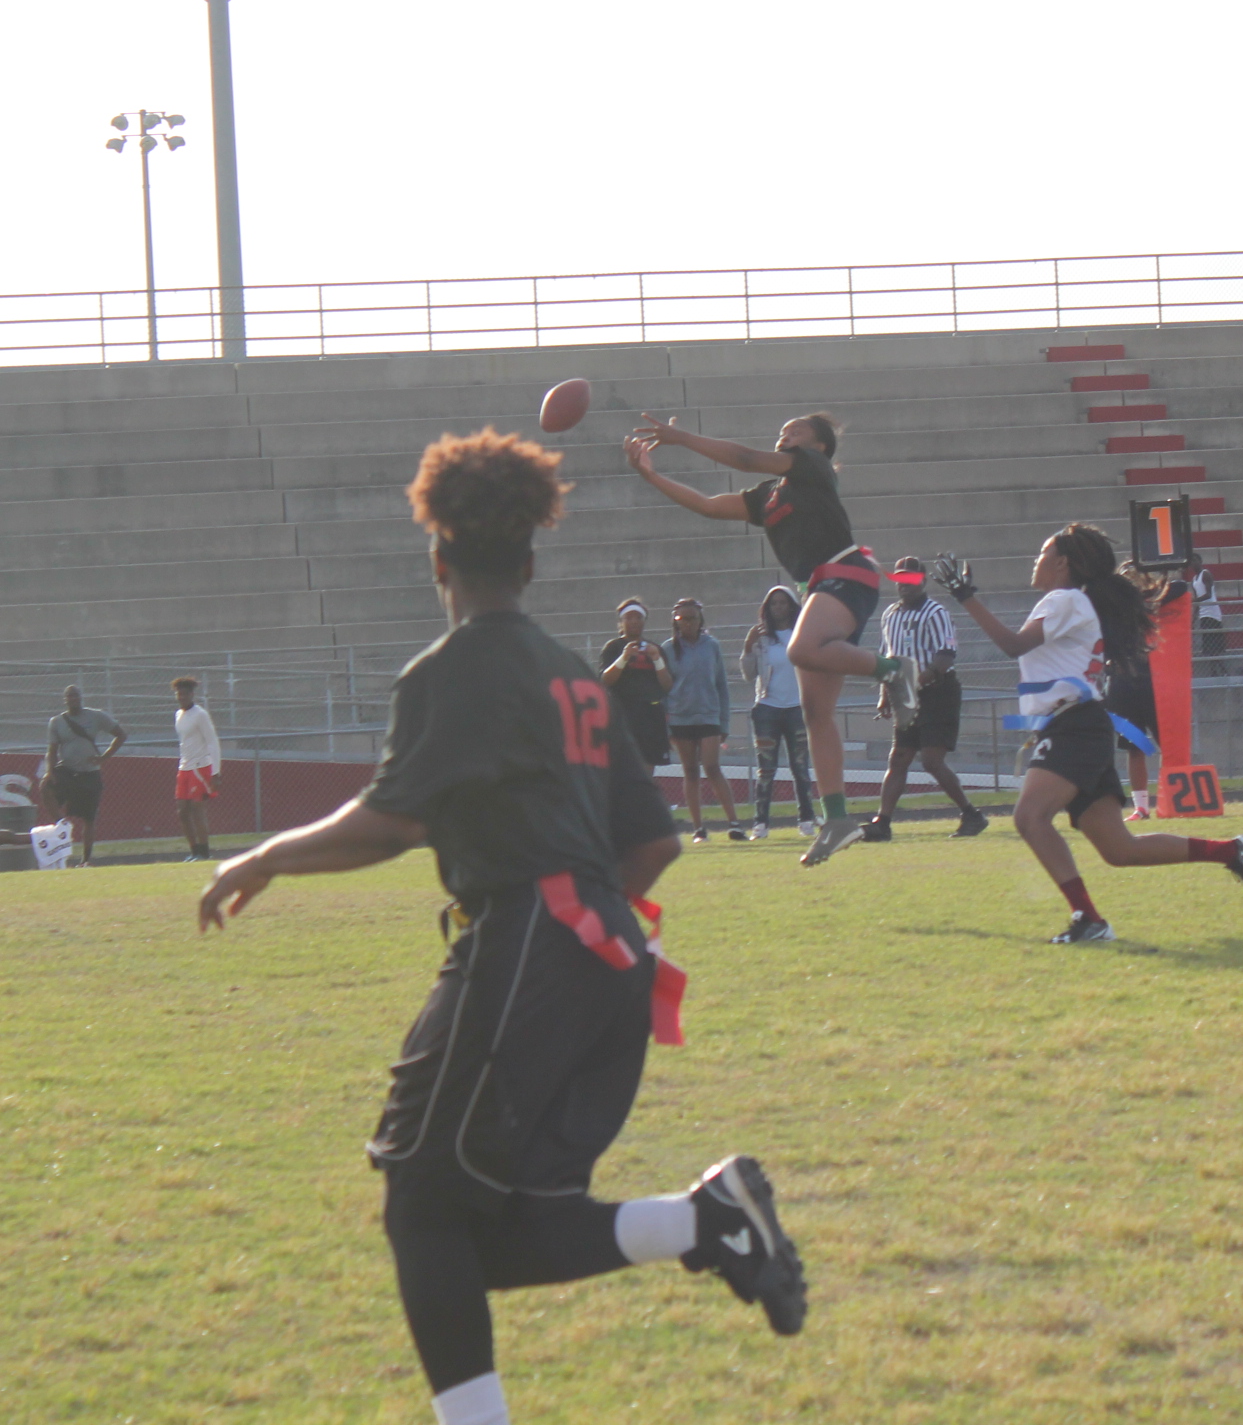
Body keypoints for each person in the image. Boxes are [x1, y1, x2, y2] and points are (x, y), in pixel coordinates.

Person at [196, 427, 806, 1425]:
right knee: (489, 1228)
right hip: (616, 957)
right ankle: (704, 1224)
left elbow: (393, 821)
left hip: (531, 944)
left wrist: (263, 855)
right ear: (529, 563)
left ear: (438, 559)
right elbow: (653, 843)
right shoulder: (575, 674)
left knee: (420, 1204)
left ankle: (697, 1235)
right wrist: (586, 923)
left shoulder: (451, 669)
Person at [933, 529, 1243, 942]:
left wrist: (965, 596)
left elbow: (1013, 645)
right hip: (1079, 725)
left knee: (1030, 818)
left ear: (1063, 563)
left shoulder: (1064, 599)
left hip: (1073, 726)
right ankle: (1233, 851)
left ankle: (1089, 920)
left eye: (1043, 552)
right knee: (1120, 850)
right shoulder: (1073, 601)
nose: (1036, 560)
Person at [623, 411, 919, 868]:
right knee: (816, 714)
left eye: (796, 431)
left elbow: (744, 458)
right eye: (782, 431)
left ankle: (895, 670)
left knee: (801, 649)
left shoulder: (812, 467)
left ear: (819, 446)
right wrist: (651, 475)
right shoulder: (768, 495)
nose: (786, 435)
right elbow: (707, 506)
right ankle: (837, 820)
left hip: (845, 572)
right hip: (819, 588)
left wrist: (679, 437)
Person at [861, 557, 987, 843]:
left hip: (937, 691)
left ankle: (971, 813)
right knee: (899, 758)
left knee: (931, 760)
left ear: (922, 580)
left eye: (910, 578)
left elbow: (945, 655)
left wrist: (918, 680)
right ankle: (883, 822)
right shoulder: (890, 615)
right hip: (905, 692)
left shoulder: (935, 612)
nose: (904, 584)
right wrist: (885, 693)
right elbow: (888, 658)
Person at [1105, 567, 1188, 819]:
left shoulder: (1150, 603)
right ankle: (1141, 806)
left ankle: (1175, 800)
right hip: (1124, 679)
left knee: (1168, 743)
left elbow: (1181, 587)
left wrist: (1149, 594)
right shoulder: (1114, 608)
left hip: (1154, 679)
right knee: (1134, 746)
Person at [739, 585, 818, 842]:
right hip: (768, 708)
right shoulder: (762, 638)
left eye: (783, 603)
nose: (779, 608)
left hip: (797, 708)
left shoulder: (801, 633)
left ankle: (806, 820)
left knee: (800, 767)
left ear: (792, 606)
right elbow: (748, 674)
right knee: (766, 770)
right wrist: (748, 646)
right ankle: (760, 823)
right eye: (774, 604)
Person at [662, 599, 744, 843]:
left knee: (712, 766)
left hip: (708, 716)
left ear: (700, 620)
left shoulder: (712, 646)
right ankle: (698, 828)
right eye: (682, 619)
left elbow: (721, 685)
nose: (688, 623)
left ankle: (734, 824)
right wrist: (666, 726)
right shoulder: (668, 649)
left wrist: (724, 723)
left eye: (692, 618)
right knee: (690, 771)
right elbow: (664, 688)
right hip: (680, 718)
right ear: (675, 621)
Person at [44, 685, 128, 866]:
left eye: (76, 695)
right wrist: (50, 771)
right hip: (67, 770)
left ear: (81, 698)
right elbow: (52, 750)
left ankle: (86, 860)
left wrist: (104, 757)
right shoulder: (57, 722)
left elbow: (120, 735)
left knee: (89, 818)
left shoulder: (95, 716)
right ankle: (61, 823)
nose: (73, 699)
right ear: (65, 700)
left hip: (89, 772)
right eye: (69, 696)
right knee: (46, 787)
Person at [598, 600, 675, 773]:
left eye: (638, 617)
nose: (634, 621)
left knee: (647, 769)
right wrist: (624, 658)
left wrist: (657, 659)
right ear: (621, 621)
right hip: (621, 715)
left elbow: (667, 685)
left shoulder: (656, 649)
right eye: (629, 617)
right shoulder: (613, 647)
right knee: (621, 769)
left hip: (650, 716)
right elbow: (605, 680)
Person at [174, 677, 221, 862]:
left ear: (191, 695)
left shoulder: (200, 714)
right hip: (184, 767)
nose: (181, 697)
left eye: (184, 694)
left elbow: (212, 741)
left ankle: (204, 852)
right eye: (178, 694)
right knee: (182, 811)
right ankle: (194, 851)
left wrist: (215, 772)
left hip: (200, 767)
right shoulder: (178, 715)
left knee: (197, 808)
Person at [1184, 551, 1226, 672]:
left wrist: (1194, 600)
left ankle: (1220, 669)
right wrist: (1193, 618)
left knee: (1215, 644)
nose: (1193, 564)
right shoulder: (1194, 579)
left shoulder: (1206, 574)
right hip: (1203, 614)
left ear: (1200, 562)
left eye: (1195, 561)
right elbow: (1197, 601)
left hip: (1212, 613)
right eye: (1191, 562)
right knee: (1208, 645)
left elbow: (1208, 594)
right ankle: (1215, 670)